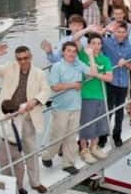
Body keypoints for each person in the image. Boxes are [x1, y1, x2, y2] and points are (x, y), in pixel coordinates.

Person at [0, 44, 51, 194]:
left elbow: (46, 90)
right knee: (7, 154)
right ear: (16, 59)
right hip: (7, 117)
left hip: (28, 117)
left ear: (31, 57)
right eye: (19, 59)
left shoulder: (39, 73)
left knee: (31, 150)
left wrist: (34, 101)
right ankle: (11, 186)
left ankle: (35, 182)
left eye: (25, 58)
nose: (22, 61)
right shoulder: (9, 67)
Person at [42, 41, 98, 175]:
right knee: (58, 135)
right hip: (61, 107)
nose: (72, 53)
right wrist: (73, 85)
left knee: (72, 136)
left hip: (76, 106)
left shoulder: (78, 64)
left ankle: (68, 163)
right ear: (63, 52)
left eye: (74, 51)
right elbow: (54, 87)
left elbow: (93, 74)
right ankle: (47, 156)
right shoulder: (57, 66)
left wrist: (90, 56)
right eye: (69, 51)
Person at [77, 33, 114, 164]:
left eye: (99, 43)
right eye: (93, 43)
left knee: (99, 122)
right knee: (87, 123)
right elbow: (74, 39)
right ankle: (84, 149)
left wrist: (96, 74)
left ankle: (94, 146)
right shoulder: (82, 55)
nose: (97, 46)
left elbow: (110, 78)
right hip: (87, 95)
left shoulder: (105, 59)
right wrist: (87, 29)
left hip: (101, 95)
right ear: (89, 44)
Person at [102, 20, 131, 147]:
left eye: (123, 32)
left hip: (123, 82)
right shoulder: (107, 42)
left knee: (120, 111)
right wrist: (107, 28)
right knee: (108, 109)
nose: (121, 34)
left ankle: (117, 135)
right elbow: (96, 38)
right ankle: (103, 137)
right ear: (114, 32)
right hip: (111, 81)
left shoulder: (130, 47)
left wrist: (125, 63)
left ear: (126, 33)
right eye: (118, 31)